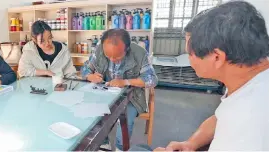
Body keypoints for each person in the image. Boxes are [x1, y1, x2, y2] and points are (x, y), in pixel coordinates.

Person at [131, 1, 269, 151]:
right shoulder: (248, 80)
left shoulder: (251, 123)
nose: (189, 59)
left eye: (190, 53)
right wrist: (191, 143)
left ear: (217, 57)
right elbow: (220, 117)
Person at [81, 29, 158, 150]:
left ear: (127, 49)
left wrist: (125, 82)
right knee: (94, 112)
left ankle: (120, 148)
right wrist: (91, 76)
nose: (112, 59)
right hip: (104, 93)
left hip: (131, 97)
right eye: (108, 55)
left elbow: (152, 79)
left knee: (126, 120)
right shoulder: (99, 49)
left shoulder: (139, 53)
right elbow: (85, 69)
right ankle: (103, 143)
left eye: (117, 56)